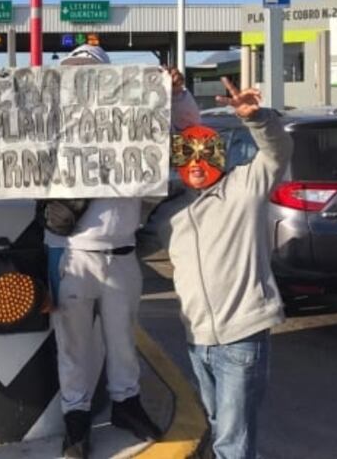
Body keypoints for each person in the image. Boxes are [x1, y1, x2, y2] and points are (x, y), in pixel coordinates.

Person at [41, 43, 200, 459]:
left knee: (123, 340)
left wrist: (177, 93)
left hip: (123, 251)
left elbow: (189, 129)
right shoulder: (51, 119)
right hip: (67, 251)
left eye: (90, 73)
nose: (81, 81)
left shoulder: (137, 116)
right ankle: (75, 420)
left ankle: (127, 405)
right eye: (73, 73)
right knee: (72, 345)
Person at [145, 77, 293, 459]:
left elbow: (277, 153)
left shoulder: (244, 190)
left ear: (220, 155)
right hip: (198, 340)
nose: (196, 163)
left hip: (241, 337)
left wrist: (256, 118)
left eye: (205, 152)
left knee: (232, 438)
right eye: (187, 155)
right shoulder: (168, 214)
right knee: (221, 427)